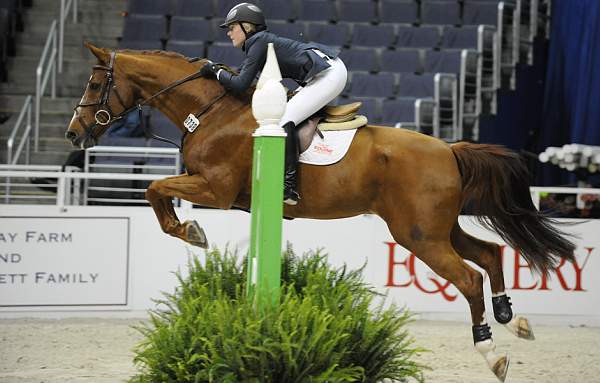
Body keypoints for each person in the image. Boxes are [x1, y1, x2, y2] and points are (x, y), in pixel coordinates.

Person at [199, 2, 348, 205]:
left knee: (283, 120)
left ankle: (288, 186)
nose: (229, 33)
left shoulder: (258, 42)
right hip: (323, 73)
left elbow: (241, 84)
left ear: (247, 26)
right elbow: (241, 79)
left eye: (232, 27)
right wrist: (218, 72)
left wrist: (214, 70)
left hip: (329, 74)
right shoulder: (258, 43)